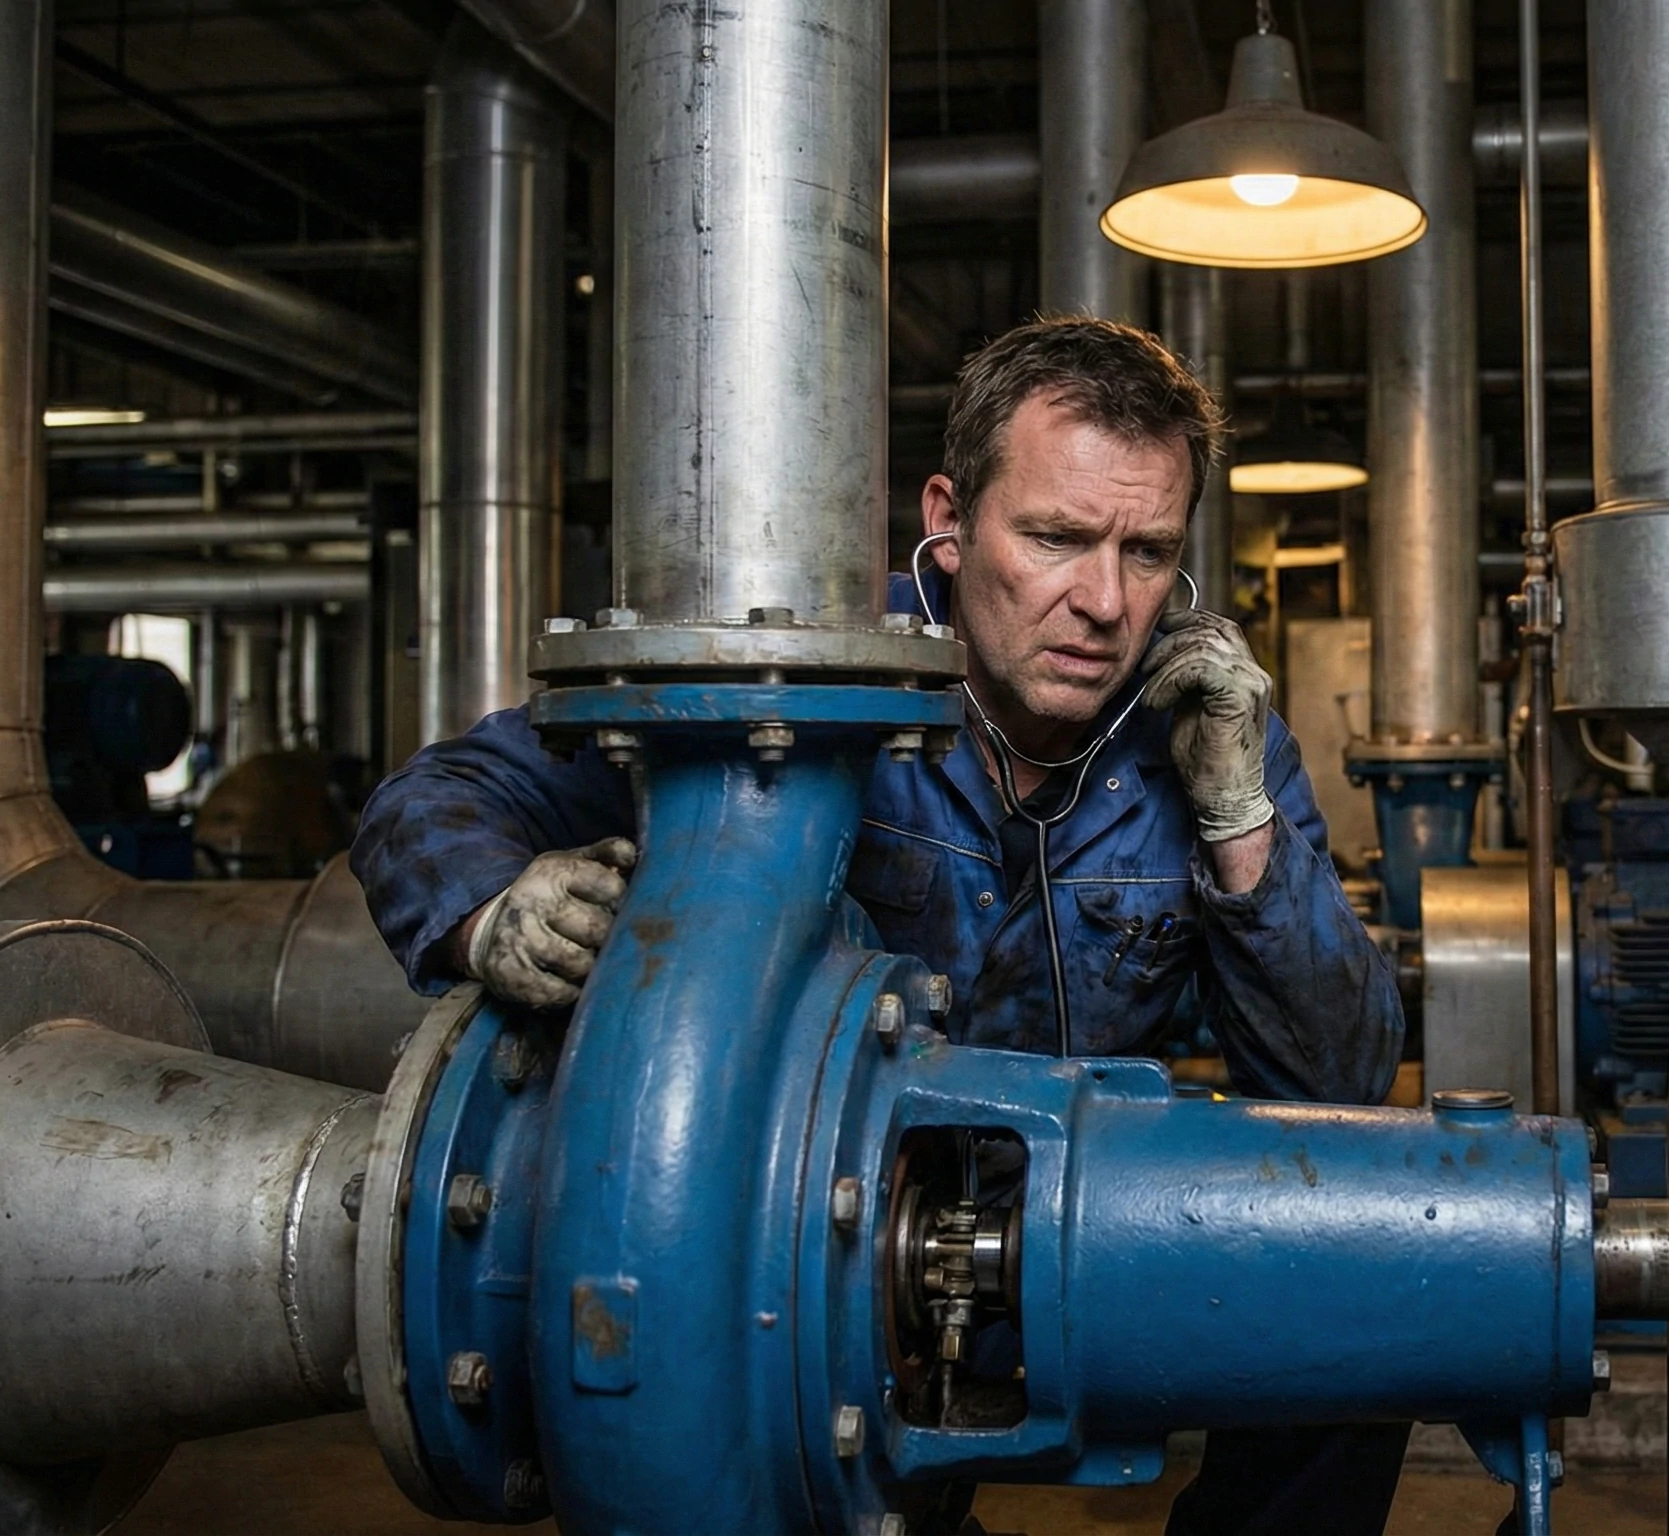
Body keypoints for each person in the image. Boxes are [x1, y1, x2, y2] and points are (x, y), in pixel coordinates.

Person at [351, 316, 1411, 1535]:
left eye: (1149, 551)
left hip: (1073, 1228)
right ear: (950, 520)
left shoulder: (1210, 725)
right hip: (813, 1259)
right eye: (1057, 538)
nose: (1105, 600)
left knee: (1375, 1299)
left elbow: (1342, 1075)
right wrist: (493, 909)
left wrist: (1235, 817)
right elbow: (432, 802)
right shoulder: (808, 682)